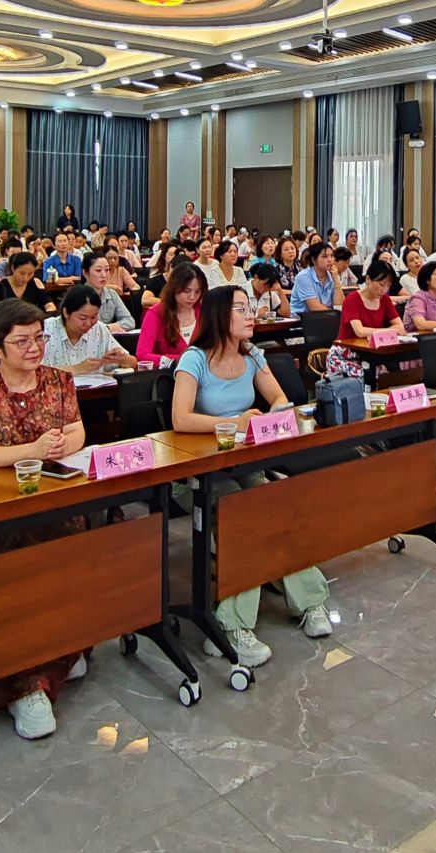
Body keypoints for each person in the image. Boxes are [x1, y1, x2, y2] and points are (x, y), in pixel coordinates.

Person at [170, 284, 337, 659]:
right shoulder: (195, 359)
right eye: (241, 309)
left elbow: (278, 398)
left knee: (274, 505)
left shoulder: (252, 354)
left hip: (246, 458)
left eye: (250, 308)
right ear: (219, 316)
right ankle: (232, 626)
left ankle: (308, 602)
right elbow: (180, 418)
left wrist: (275, 412)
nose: (251, 316)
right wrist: (234, 423)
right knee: (244, 516)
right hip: (204, 469)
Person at [0, 299, 95, 739]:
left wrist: (62, 446)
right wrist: (33, 451)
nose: (34, 348)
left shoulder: (59, 380)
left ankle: (62, 655)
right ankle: (23, 685)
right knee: (11, 584)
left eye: (39, 338)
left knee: (69, 561)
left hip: (51, 497)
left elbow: (76, 429)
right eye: (21, 342)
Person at [43, 284, 136, 374]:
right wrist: (77, 369)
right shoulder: (46, 330)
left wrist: (123, 359)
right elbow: (37, 373)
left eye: (93, 317)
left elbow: (134, 363)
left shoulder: (99, 329)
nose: (88, 323)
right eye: (83, 318)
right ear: (66, 313)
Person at [138, 261, 208, 364]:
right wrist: (178, 360)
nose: (192, 297)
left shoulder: (205, 311)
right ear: (174, 287)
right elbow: (142, 355)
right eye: (187, 291)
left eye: (198, 291)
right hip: (168, 372)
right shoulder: (155, 313)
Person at [80, 250, 137, 331]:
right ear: (85, 273)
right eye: (98, 270)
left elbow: (130, 322)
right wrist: (109, 328)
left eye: (107, 270)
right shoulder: (78, 296)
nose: (104, 275)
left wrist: (109, 327)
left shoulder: (112, 294)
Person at [289, 240, 340, 315]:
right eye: (325, 257)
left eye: (332, 256)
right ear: (313, 259)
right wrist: (336, 314)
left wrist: (336, 281)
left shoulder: (332, 275)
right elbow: (314, 308)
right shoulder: (303, 277)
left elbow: (340, 307)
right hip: (301, 320)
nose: (330, 260)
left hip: (327, 318)